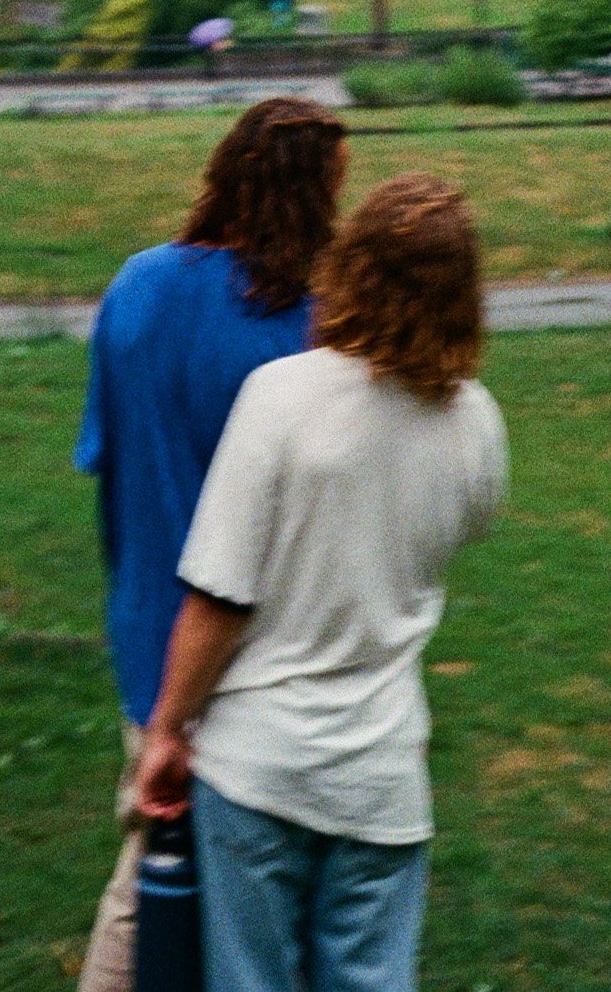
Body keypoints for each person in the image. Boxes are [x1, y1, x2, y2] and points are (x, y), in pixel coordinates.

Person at [135, 173, 508, 992]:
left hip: (259, 768)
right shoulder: (476, 422)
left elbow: (218, 597)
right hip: (382, 774)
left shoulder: (279, 398)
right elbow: (469, 526)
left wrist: (166, 732)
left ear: (352, 267)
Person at [74, 96, 348, 992]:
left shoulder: (137, 286)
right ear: (314, 200)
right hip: (249, 656)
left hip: (144, 625)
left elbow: (102, 454)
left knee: (162, 873)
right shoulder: (308, 332)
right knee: (209, 907)